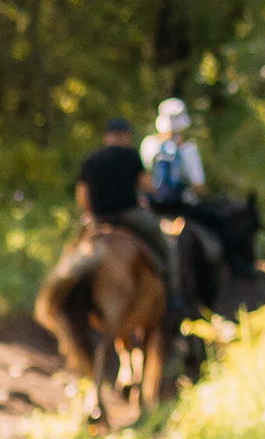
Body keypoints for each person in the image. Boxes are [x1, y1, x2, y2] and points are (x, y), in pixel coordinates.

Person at [74, 113, 179, 310]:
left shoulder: (91, 160)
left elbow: (82, 196)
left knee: (74, 246)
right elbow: (148, 187)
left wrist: (92, 213)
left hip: (98, 219)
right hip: (128, 217)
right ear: (125, 136)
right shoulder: (131, 155)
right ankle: (173, 295)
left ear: (107, 137)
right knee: (167, 243)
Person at [143, 96, 206, 212]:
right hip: (181, 205)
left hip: (152, 204)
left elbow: (144, 176)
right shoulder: (188, 150)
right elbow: (198, 184)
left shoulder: (148, 144)